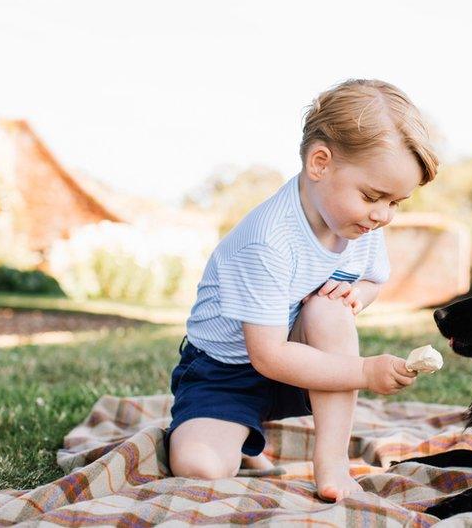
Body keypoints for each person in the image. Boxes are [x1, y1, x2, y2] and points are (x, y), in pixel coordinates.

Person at [166, 79, 440, 502]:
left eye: (396, 203)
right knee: (200, 468)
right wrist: (365, 372)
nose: (383, 215)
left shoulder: (359, 223)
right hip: (226, 371)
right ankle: (235, 432)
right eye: (373, 196)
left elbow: (371, 280)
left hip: (302, 361)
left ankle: (331, 464)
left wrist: (357, 297)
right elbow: (268, 355)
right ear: (320, 163)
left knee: (329, 312)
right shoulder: (268, 241)